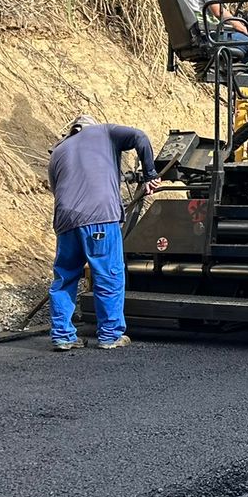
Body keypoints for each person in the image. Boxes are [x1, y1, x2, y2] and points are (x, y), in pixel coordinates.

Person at [48, 115, 161, 350]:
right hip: (99, 215)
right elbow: (140, 137)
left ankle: (62, 336)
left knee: (64, 276)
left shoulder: (58, 150)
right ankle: (110, 335)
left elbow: (55, 188)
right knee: (107, 273)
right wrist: (150, 174)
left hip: (65, 218)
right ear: (92, 126)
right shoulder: (105, 132)